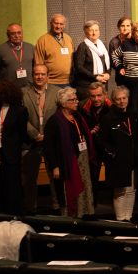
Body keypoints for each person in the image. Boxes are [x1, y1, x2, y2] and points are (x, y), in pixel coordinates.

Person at [43, 88, 95, 218]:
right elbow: (49, 147)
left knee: (84, 186)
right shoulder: (55, 121)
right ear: (63, 103)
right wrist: (55, 166)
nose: (77, 102)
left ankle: (82, 213)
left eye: (76, 99)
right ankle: (70, 216)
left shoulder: (77, 116)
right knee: (69, 191)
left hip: (81, 159)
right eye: (73, 100)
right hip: (66, 163)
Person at [21, 65, 59, 213]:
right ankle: (30, 209)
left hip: (51, 141)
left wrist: (48, 135)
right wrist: (35, 134)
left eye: (43, 74)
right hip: (31, 142)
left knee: (55, 176)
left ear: (47, 76)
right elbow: (21, 118)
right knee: (29, 178)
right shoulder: (23, 93)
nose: (40, 77)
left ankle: (57, 207)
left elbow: (59, 117)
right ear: (32, 75)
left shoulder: (57, 92)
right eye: (37, 74)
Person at [98, 86, 138, 221]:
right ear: (113, 101)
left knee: (131, 190)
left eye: (124, 98)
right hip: (117, 161)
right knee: (120, 192)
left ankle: (129, 217)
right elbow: (102, 141)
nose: (122, 101)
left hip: (132, 159)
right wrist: (113, 154)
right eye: (118, 99)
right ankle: (121, 219)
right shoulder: (108, 118)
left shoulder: (133, 115)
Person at [0, 79, 28, 215]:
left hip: (11, 152)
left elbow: (22, 133)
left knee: (12, 184)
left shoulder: (20, 110)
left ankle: (13, 213)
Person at [34, 14, 75, 88]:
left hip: (69, 81)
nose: (58, 26)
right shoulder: (42, 40)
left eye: (61, 24)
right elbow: (39, 64)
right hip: (51, 83)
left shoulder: (68, 38)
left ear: (64, 25)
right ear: (50, 23)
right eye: (56, 23)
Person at [71, 20, 111, 93]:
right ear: (86, 32)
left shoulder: (103, 45)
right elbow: (79, 67)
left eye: (96, 30)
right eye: (91, 30)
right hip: (87, 85)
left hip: (102, 83)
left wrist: (108, 73)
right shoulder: (83, 46)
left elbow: (107, 63)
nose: (94, 33)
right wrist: (96, 77)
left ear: (99, 32)